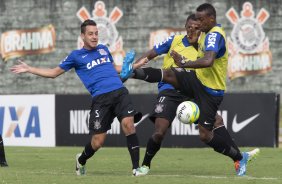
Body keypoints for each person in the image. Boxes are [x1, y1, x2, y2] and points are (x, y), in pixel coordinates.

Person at [122, 3, 259, 176]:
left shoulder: (209, 37)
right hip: (177, 89)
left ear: (209, 20)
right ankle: (131, 73)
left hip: (204, 91)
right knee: (170, 76)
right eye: (190, 27)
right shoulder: (178, 40)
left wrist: (185, 62)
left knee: (208, 132)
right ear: (185, 27)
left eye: (199, 24)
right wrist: (135, 65)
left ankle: (239, 157)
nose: (194, 29)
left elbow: (208, 60)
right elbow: (152, 53)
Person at [10, 19, 147, 176]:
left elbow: (115, 68)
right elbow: (54, 73)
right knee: (98, 142)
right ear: (83, 36)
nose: (95, 37)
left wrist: (134, 66)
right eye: (90, 34)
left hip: (119, 91)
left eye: (96, 33)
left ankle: (136, 168)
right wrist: (29, 69)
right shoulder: (76, 56)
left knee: (128, 124)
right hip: (101, 99)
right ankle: (81, 160)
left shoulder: (103, 49)